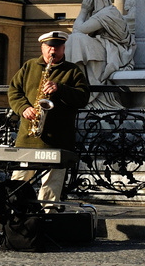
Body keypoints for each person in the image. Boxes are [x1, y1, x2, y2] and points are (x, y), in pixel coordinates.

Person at [8, 30, 90, 202]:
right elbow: (14, 91)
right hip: (28, 138)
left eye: (58, 47)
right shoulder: (29, 66)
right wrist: (23, 108)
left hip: (58, 140)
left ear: (63, 48)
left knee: (51, 187)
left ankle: (47, 219)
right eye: (50, 47)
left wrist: (60, 89)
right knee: (18, 183)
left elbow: (83, 97)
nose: (53, 51)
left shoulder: (73, 71)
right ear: (42, 47)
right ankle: (18, 219)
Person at [62, 0, 135, 106]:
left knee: (76, 39)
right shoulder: (102, 13)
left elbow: (78, 30)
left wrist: (84, 10)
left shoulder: (108, 13)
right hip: (105, 46)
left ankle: (78, 88)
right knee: (74, 40)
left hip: (115, 50)